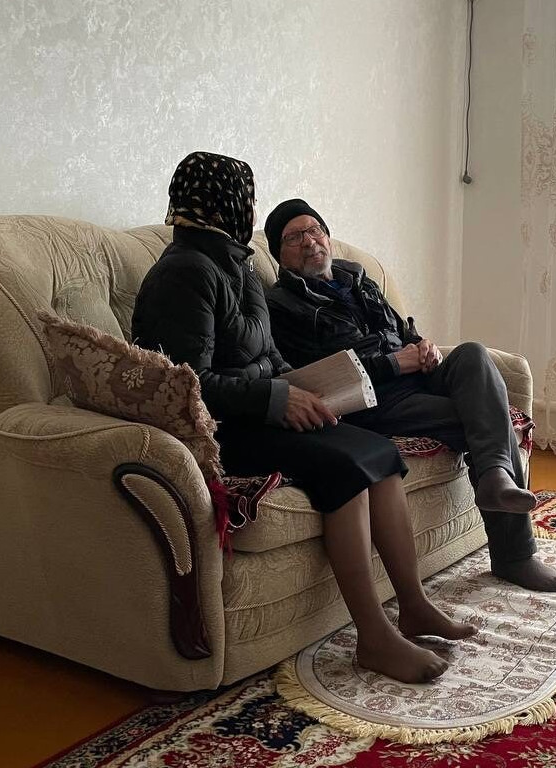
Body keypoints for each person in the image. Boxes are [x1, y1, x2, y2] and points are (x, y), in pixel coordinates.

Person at [131, 153, 475, 684]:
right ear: (223, 204)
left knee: (379, 452)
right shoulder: (184, 273)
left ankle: (412, 605)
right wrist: (277, 399)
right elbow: (188, 384)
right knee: (345, 468)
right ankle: (374, 638)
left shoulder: (238, 265)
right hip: (226, 428)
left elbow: (268, 356)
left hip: (264, 409)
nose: (250, 210)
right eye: (246, 198)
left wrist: (312, 388)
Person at [263, 199, 556, 593]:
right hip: (374, 400)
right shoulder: (283, 306)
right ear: (280, 256)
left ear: (327, 236)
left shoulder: (358, 279)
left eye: (314, 230)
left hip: (415, 378)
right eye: (294, 238)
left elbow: (401, 331)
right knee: (482, 416)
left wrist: (424, 347)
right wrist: (395, 363)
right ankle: (515, 555)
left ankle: (494, 476)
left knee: (472, 354)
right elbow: (322, 377)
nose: (309, 241)